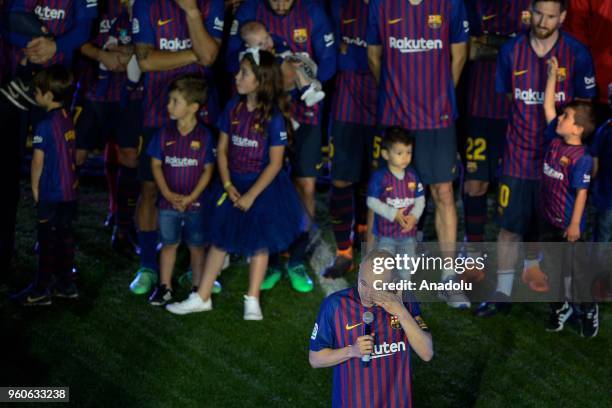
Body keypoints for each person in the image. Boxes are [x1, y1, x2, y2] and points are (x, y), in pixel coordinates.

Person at [475, 0, 596, 317]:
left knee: (555, 232)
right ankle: (502, 291)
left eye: (552, 15)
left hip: (558, 165)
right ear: (530, 11)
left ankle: (568, 299)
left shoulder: (578, 54)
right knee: (509, 227)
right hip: (517, 157)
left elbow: (585, 112)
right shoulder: (510, 51)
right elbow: (507, 103)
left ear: (563, 17)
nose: (543, 20)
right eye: (539, 13)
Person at [166, 49, 305, 319]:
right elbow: (223, 149)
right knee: (220, 240)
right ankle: (202, 296)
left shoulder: (274, 117)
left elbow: (275, 164)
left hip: (262, 189)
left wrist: (251, 195)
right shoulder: (233, 107)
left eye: (244, 73)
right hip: (233, 185)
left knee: (260, 243)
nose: (237, 76)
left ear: (260, 80)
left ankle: (252, 299)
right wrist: (228, 184)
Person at [366, 0, 470, 308]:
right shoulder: (380, 6)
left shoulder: (451, 5)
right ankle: (374, 278)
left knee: (443, 193)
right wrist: (394, 96)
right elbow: (374, 57)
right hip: (396, 118)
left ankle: (449, 279)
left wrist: (438, 97)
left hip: (437, 120)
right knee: (385, 193)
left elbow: (460, 53)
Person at [228, 0, 337, 293]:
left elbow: (328, 64)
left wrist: (297, 81)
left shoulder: (313, 12)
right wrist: (275, 81)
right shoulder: (250, 12)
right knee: (271, 183)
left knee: (306, 186)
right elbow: (231, 61)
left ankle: (297, 259)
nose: (279, 3)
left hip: (306, 114)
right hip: (268, 114)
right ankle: (273, 260)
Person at [130, 0, 224, 295]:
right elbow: (145, 61)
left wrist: (192, 12)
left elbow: (209, 57)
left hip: (202, 115)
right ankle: (147, 264)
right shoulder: (146, 5)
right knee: (149, 188)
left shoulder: (212, 4)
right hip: (157, 113)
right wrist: (195, 53)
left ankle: (198, 268)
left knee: (204, 192)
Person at [461, 0, 531, 283]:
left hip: (521, 110)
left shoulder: (534, 5)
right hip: (480, 104)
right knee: (475, 183)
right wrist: (510, 46)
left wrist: (491, 44)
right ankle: (474, 254)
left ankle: (526, 263)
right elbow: (469, 48)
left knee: (517, 186)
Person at [309, 249, 433, 408]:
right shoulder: (334, 305)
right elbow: (315, 359)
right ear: (359, 270)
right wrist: (351, 351)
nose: (367, 294)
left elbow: (427, 353)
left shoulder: (405, 301)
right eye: (363, 283)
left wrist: (401, 311)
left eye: (377, 287)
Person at [75, 0, 141, 257]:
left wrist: (132, 52)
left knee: (129, 155)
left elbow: (158, 37)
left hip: (131, 94)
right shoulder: (95, 5)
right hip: (93, 91)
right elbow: (72, 37)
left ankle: (123, 227)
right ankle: (58, 226)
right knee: (74, 156)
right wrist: (101, 54)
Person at [538, 56, 598, 337]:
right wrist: (552, 77)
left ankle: (588, 308)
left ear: (577, 130)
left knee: (578, 272)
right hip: (549, 220)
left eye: (566, 117)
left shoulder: (580, 158)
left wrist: (574, 225)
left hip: (568, 227)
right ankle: (559, 307)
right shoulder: (555, 139)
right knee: (552, 269)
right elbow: (548, 106)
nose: (559, 117)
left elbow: (581, 192)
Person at [146, 76, 215, 306]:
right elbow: (155, 164)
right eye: (169, 101)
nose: (168, 106)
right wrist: (166, 193)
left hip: (195, 204)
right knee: (168, 245)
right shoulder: (164, 133)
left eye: (175, 101)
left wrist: (192, 197)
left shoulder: (205, 137)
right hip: (168, 203)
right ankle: (164, 287)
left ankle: (198, 289)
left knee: (197, 247)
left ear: (193, 107)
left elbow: (207, 169)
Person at [12, 66, 78, 306]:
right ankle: (66, 285)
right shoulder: (67, 117)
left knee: (47, 241)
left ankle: (40, 290)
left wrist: (35, 189)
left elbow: (37, 162)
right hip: (70, 191)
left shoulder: (43, 125)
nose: (34, 94)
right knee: (64, 236)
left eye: (37, 91)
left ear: (48, 96)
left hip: (51, 192)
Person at [323, 0, 378, 278]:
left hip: (385, 104)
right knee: (341, 179)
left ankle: (370, 248)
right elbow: (331, 54)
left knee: (378, 181)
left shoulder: (394, 7)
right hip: (348, 106)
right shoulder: (340, 6)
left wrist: (352, 53)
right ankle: (344, 252)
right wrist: (354, 55)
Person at [366, 127, 425, 280]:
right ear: (386, 154)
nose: (405, 157)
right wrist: (393, 213)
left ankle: (401, 299)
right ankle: (379, 298)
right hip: (386, 235)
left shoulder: (412, 175)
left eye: (408, 152)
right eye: (399, 153)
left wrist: (414, 216)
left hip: (408, 234)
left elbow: (420, 199)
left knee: (405, 271)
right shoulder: (380, 177)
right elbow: (371, 201)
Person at [240, 21, 325, 106]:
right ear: (249, 46)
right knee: (297, 71)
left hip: (290, 67)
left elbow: (285, 48)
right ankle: (308, 92)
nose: (267, 44)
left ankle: (309, 90)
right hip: (278, 81)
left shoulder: (276, 45)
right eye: (260, 44)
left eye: (267, 38)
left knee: (301, 66)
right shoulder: (251, 57)